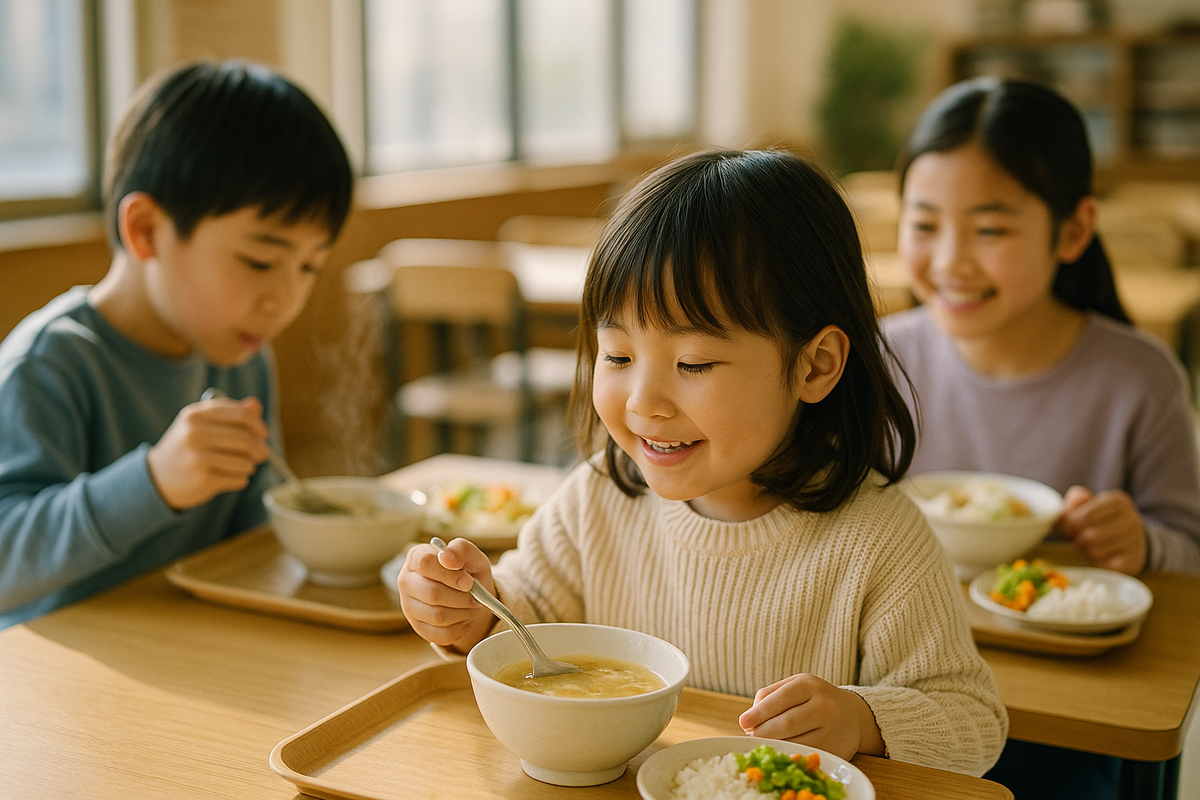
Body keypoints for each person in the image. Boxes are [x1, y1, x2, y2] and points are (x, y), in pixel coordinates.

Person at [399, 149, 1008, 776]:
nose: (644, 402)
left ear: (815, 365)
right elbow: (529, 622)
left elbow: (972, 719)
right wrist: (472, 614)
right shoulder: (599, 498)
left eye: (693, 363)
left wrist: (861, 719)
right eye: (618, 356)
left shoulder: (880, 541)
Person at [881, 76, 1200, 798]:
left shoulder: (1140, 379)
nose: (951, 261)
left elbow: (1189, 553)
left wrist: (1142, 544)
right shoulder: (877, 361)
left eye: (990, 230)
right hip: (904, 691)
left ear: (1074, 230)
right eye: (924, 225)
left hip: (1071, 712)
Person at [0, 60, 354, 628]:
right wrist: (153, 482)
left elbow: (251, 527)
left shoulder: (242, 356)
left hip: (191, 643)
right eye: (259, 261)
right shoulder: (50, 364)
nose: (286, 300)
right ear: (147, 230)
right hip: (60, 671)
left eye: (309, 266)